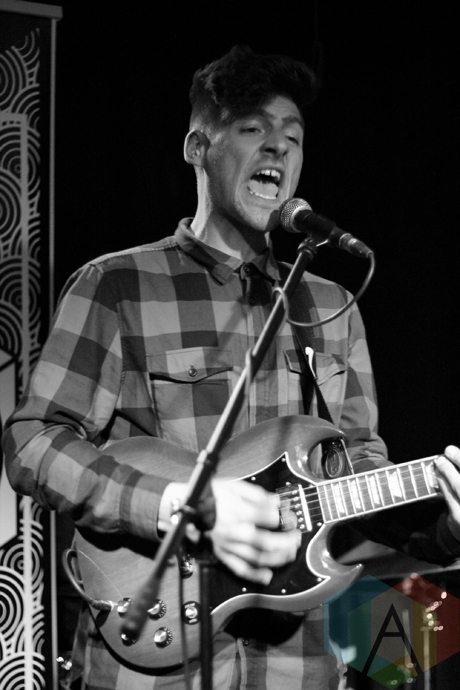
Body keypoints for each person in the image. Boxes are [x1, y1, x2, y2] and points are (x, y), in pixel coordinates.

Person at [3, 45, 460, 690]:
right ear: (198, 147)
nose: (278, 149)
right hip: (156, 658)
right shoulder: (117, 286)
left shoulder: (333, 306)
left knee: (440, 636)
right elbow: (33, 442)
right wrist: (175, 504)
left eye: (293, 138)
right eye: (253, 129)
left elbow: (358, 483)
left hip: (301, 664)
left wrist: (444, 525)